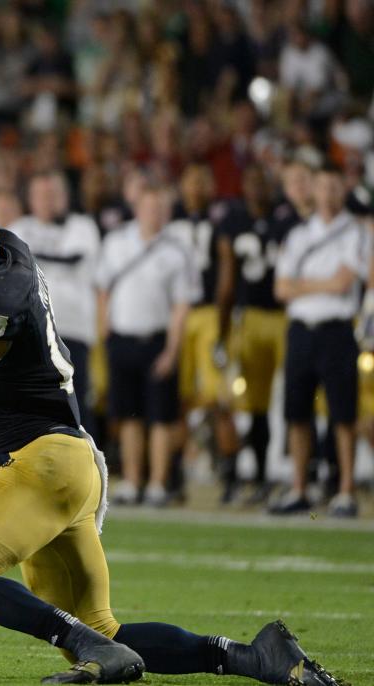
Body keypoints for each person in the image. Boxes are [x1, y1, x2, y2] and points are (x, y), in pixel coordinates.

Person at [0, 185, 342, 686]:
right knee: (99, 630)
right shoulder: (3, 247)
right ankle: (255, 657)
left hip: (41, 466)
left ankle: (97, 650)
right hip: (71, 465)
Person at [272, 163, 368, 518]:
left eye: (333, 186)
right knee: (297, 411)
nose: (327, 193)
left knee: (343, 413)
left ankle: (345, 490)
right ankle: (299, 487)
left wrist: (303, 285)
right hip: (301, 329)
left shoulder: (355, 233)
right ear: (312, 190)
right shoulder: (297, 235)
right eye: (322, 186)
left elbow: (344, 283)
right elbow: (281, 289)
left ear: (342, 190)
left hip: (336, 329)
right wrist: (320, 283)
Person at [96, 184, 196, 506]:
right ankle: (133, 480)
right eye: (148, 207)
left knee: (161, 417)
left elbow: (182, 306)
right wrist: (105, 330)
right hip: (123, 338)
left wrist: (172, 349)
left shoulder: (178, 250)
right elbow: (102, 289)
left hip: (156, 339)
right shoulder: (115, 242)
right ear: (137, 209)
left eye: (160, 208)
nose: (154, 214)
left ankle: (157, 482)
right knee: (128, 416)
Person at [214, 164, 290, 504]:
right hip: (250, 317)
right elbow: (227, 281)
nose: (258, 187)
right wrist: (222, 330)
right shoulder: (234, 220)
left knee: (291, 397)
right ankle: (250, 473)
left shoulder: (286, 217)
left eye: (263, 180)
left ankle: (312, 471)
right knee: (251, 401)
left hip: (286, 315)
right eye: (252, 180)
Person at [166, 163, 240, 503]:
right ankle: (173, 474)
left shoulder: (221, 220)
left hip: (208, 312)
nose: (196, 187)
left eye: (202, 180)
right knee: (178, 398)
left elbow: (226, 269)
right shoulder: (170, 221)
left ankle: (231, 474)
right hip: (179, 313)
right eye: (190, 180)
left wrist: (222, 322)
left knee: (217, 398)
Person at [10, 171, 100, 433]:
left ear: (65, 196)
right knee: (32, 404)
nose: (47, 200)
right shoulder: (19, 227)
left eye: (53, 194)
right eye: (41, 194)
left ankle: (86, 468)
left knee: (76, 404)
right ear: (30, 199)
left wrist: (32, 256)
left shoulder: (82, 226)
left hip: (72, 330)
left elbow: (73, 260)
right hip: (29, 332)